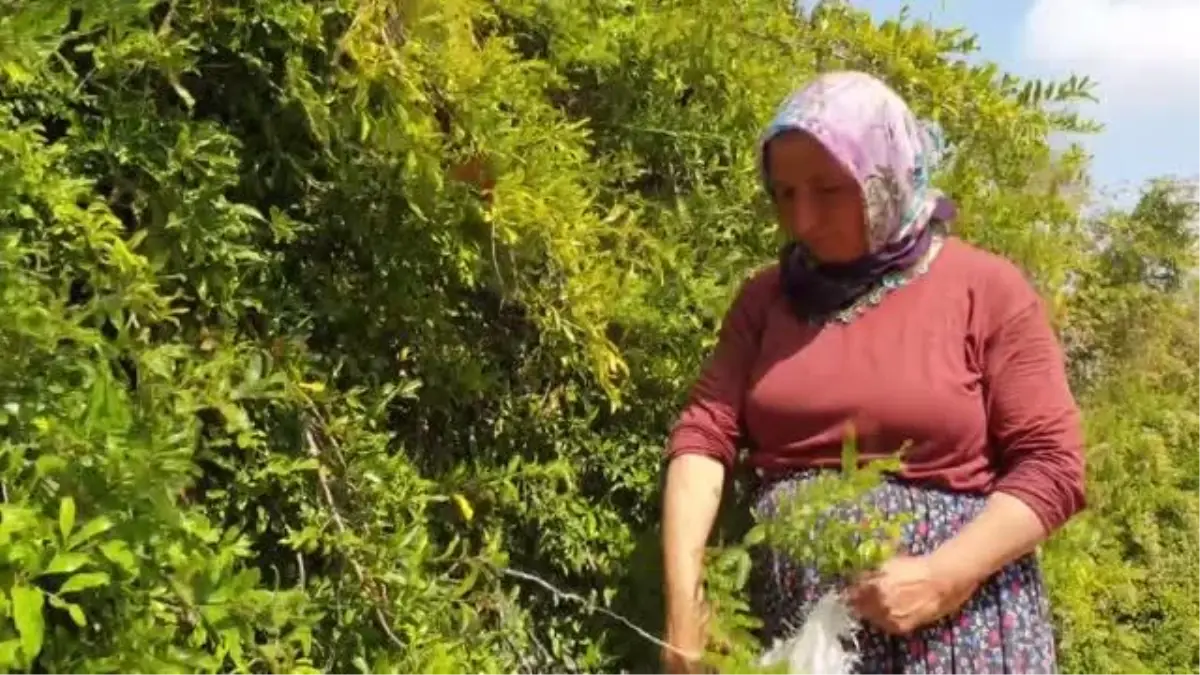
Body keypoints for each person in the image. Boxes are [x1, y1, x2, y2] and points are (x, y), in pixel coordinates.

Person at [659, 71, 1086, 674]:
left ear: (884, 174)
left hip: (958, 632)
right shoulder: (765, 301)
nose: (801, 218)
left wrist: (945, 575)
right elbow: (704, 438)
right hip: (803, 630)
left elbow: (1054, 467)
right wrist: (685, 608)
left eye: (828, 189)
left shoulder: (985, 289)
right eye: (783, 193)